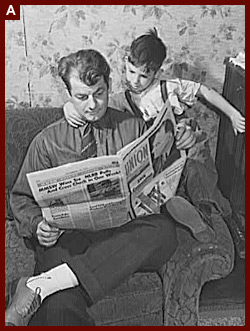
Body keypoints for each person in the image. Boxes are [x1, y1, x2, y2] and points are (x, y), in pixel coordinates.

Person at [6, 49, 198, 326]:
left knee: (164, 231)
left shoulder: (133, 127)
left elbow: (164, 169)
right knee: (60, 305)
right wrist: (38, 226)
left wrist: (182, 141)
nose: (93, 104)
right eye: (82, 97)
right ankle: (56, 284)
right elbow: (21, 199)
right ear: (68, 95)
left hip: (123, 233)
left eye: (99, 93)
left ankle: (44, 283)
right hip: (69, 237)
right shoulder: (47, 141)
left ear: (109, 86)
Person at [63, 28, 245, 258]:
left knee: (199, 177)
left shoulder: (167, 88)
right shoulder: (121, 99)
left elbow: (204, 91)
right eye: (130, 72)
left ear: (156, 73)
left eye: (143, 75)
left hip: (181, 147)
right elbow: (93, 107)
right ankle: (180, 207)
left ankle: (211, 212)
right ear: (125, 63)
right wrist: (69, 106)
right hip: (154, 161)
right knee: (161, 193)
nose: (135, 80)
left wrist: (232, 114)